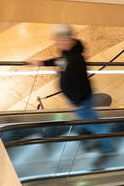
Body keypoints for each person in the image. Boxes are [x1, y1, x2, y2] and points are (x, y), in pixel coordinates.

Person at [29, 25, 113, 153]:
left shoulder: (75, 61)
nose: (55, 41)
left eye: (57, 39)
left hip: (81, 100)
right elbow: (60, 61)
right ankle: (94, 132)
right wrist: (40, 63)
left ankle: (107, 147)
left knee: (93, 123)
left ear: (65, 39)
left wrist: (77, 102)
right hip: (80, 99)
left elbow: (80, 84)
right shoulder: (68, 51)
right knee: (89, 119)